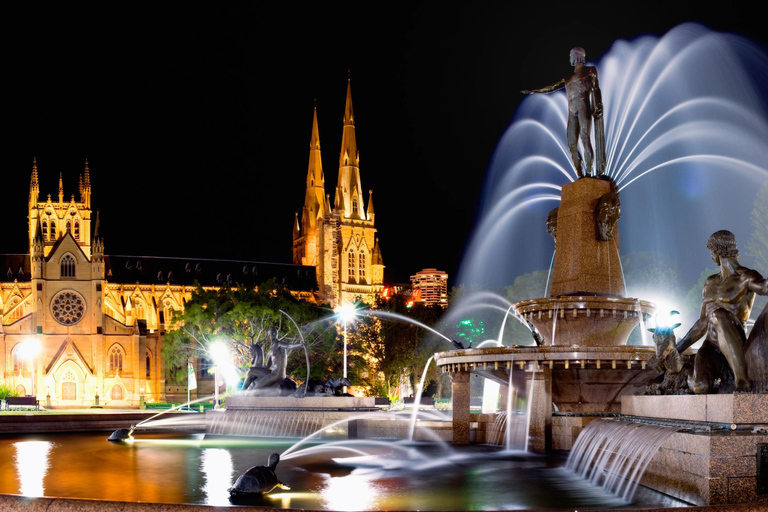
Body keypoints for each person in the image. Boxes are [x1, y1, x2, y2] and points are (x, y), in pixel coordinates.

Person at [676, 230, 768, 393]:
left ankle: (741, 379)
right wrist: (677, 349)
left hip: (736, 339)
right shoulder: (710, 282)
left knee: (718, 314)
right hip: (711, 344)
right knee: (700, 387)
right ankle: (689, 372)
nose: (711, 256)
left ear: (717, 250)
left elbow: (764, 287)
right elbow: (702, 323)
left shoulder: (746, 277)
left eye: (711, 251)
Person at [522, 47, 605, 177]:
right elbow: (551, 88)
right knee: (571, 144)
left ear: (577, 56)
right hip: (572, 112)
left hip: (584, 108)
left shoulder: (590, 71)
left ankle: (589, 173)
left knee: (584, 138)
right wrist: (534, 91)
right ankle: (580, 174)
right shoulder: (568, 78)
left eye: (570, 56)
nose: (569, 59)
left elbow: (596, 89)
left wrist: (598, 103)